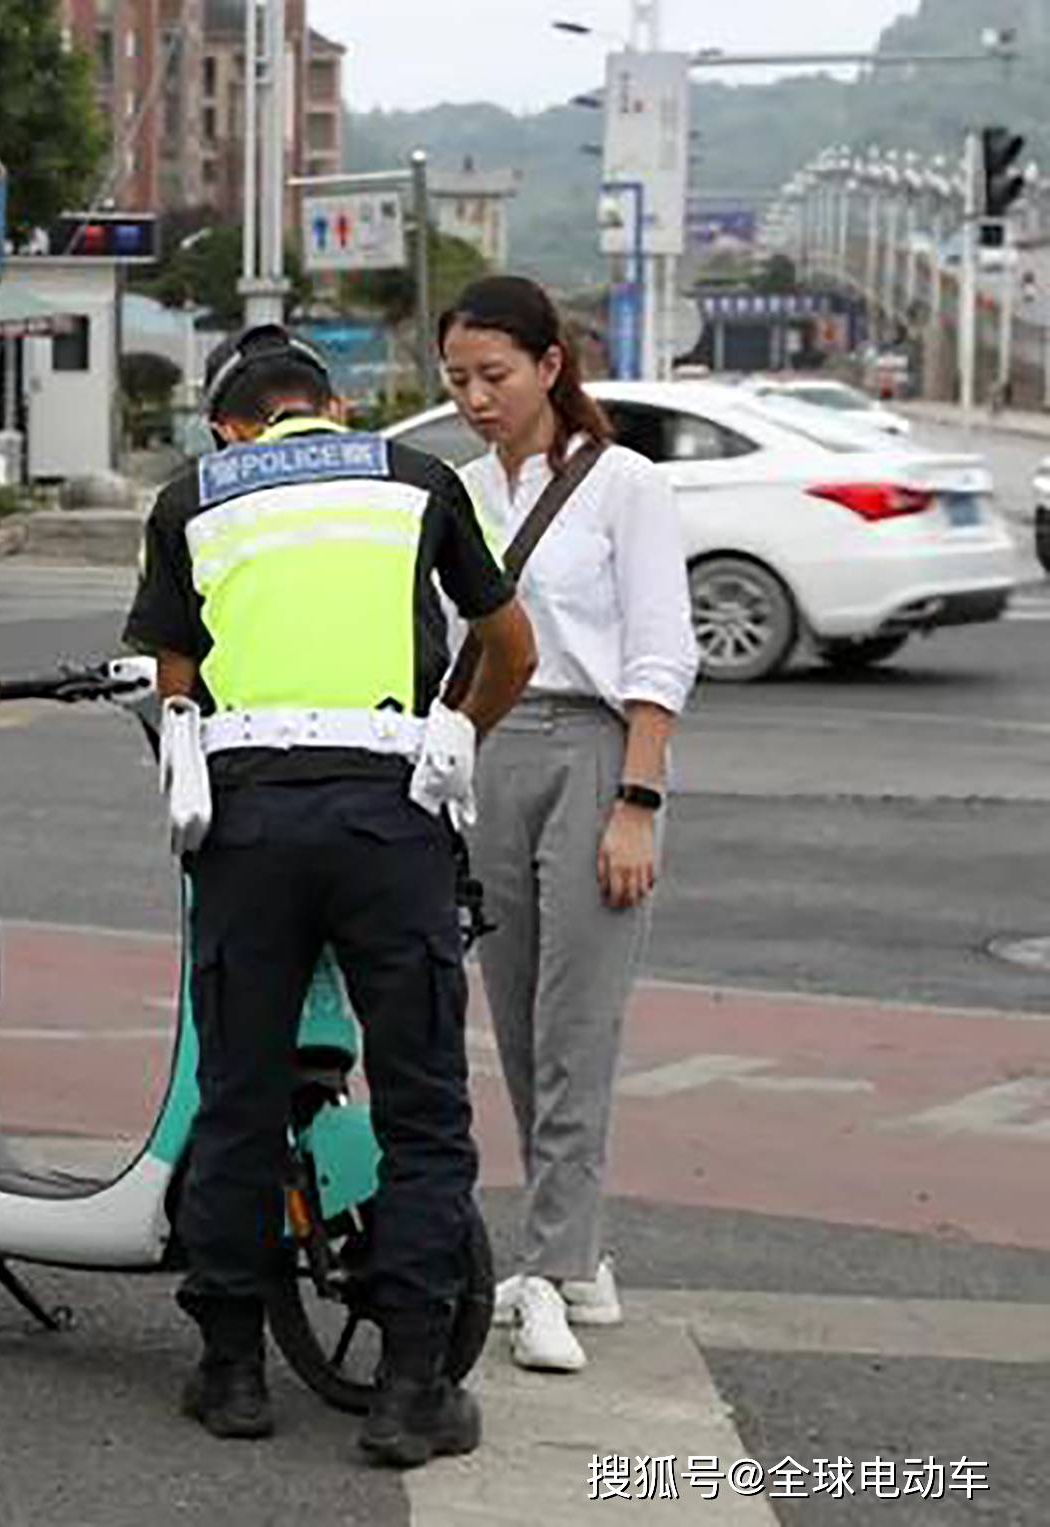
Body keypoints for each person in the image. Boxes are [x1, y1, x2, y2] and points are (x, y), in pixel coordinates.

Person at [123, 325, 536, 1467]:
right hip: (388, 815)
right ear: (333, 408)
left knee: (240, 1094)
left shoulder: (193, 496)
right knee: (418, 1100)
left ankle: (232, 1371)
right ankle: (410, 1390)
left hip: (250, 821)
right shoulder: (419, 480)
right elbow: (512, 646)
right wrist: (454, 733)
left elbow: (176, 684)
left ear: (240, 422)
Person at [437, 275, 697, 1375]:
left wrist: (637, 801)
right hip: (486, 750)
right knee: (518, 1024)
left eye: (495, 376)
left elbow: (660, 649)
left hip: (595, 751)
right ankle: (575, 1257)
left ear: (552, 368)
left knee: (578, 1025)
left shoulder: (622, 485)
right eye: (456, 380)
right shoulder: (453, 489)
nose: (476, 399)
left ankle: (546, 1270)